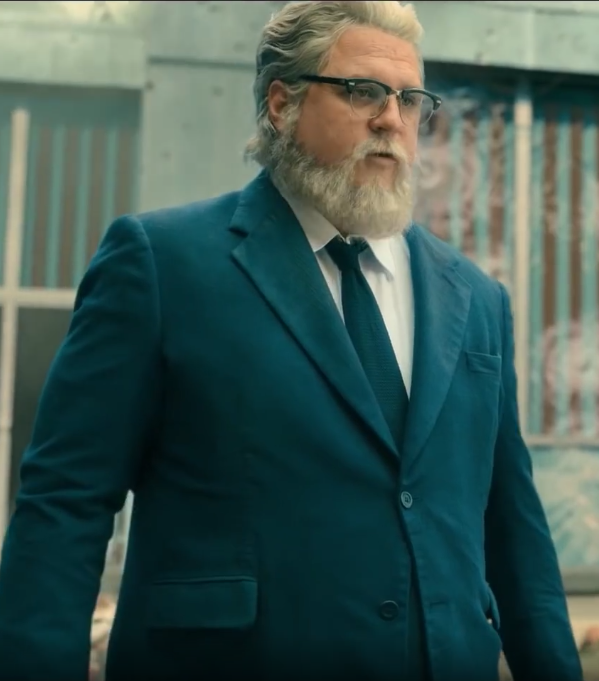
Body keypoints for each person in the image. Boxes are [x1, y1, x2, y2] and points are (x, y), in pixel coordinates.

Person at [0, 2, 583, 681]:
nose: (391, 120)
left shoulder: (476, 299)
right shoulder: (162, 264)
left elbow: (513, 528)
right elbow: (65, 502)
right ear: (281, 104)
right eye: (362, 91)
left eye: (409, 100)